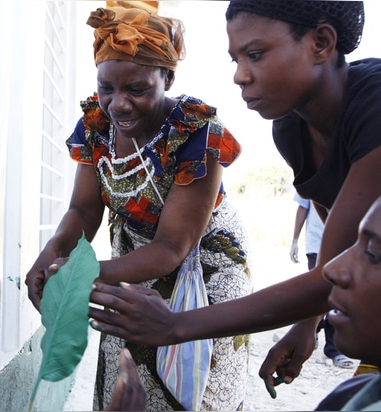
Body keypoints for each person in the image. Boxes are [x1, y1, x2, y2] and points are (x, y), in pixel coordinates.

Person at [88, 0, 381, 399]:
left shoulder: (374, 108)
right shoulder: (291, 128)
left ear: (321, 43)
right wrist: (306, 325)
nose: (240, 76)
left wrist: (177, 325)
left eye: (255, 55)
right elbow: (341, 252)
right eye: (235, 59)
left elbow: (332, 270)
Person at [25, 6, 252, 411]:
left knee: (189, 385)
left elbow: (171, 246)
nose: (119, 105)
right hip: (131, 263)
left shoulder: (197, 134)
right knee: (125, 377)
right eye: (106, 87)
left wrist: (82, 275)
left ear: (167, 77)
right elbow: (82, 209)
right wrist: (52, 255)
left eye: (137, 89)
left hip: (202, 272)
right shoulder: (97, 126)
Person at [109, 197, 381, 411]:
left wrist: (174, 324)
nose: (332, 270)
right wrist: (307, 323)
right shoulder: (353, 396)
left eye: (373, 253)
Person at [290, 193, 354, 369]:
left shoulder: (351, 172)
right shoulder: (310, 174)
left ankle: (332, 348)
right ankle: (311, 329)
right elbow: (303, 207)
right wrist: (295, 240)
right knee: (320, 291)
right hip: (316, 244)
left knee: (335, 293)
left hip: (344, 245)